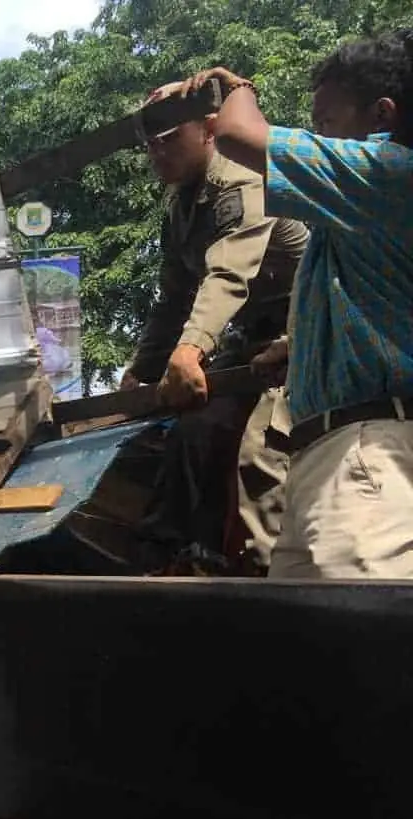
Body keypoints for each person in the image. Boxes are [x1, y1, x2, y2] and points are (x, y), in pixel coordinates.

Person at [182, 33, 413, 578]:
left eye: (326, 121)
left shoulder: (388, 169)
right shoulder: (358, 215)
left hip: (368, 459)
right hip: (336, 454)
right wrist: (300, 348)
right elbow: (368, 305)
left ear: (382, 115)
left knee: (355, 645)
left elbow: (239, 134)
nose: (316, 136)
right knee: (306, 643)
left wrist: (232, 84)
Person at [122, 81, 307, 567]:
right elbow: (174, 297)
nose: (157, 151)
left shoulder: (242, 178)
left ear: (208, 130)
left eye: (169, 137)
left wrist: (191, 349)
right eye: (150, 144)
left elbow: (229, 272)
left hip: (309, 332)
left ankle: (267, 580)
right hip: (251, 343)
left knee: (259, 454)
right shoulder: (181, 207)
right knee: (190, 431)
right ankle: (180, 557)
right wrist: (143, 369)